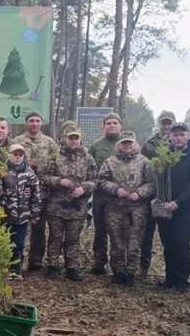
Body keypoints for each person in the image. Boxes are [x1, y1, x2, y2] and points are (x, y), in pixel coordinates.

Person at [97, 132, 156, 285]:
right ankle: (118, 271)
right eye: (124, 143)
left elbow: (152, 183)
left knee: (134, 241)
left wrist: (139, 193)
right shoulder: (110, 162)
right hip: (115, 208)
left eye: (130, 143)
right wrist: (116, 189)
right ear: (119, 145)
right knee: (116, 241)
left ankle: (131, 272)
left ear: (135, 144)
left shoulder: (145, 162)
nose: (127, 145)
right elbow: (102, 180)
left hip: (137, 209)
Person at [39, 124, 95, 281]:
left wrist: (84, 188)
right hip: (56, 205)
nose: (73, 140)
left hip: (78, 206)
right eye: (70, 137)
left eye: (76, 137)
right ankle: (52, 265)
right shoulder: (54, 156)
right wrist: (59, 181)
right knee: (55, 237)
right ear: (65, 138)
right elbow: (43, 176)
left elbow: (95, 179)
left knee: (73, 238)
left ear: (80, 139)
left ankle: (71, 266)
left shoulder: (88, 157)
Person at [156, 123, 190, 291]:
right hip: (165, 207)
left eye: (182, 135)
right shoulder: (164, 155)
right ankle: (170, 278)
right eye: (175, 135)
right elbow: (159, 178)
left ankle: (182, 281)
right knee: (168, 243)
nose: (178, 138)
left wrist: (178, 202)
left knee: (181, 243)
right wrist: (159, 199)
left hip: (186, 209)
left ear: (188, 136)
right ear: (170, 136)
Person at [14, 111, 59, 272]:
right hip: (20, 193)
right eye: (31, 121)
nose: (34, 123)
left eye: (37, 121)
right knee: (18, 227)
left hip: (43, 191)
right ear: (26, 123)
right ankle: (15, 260)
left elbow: (56, 164)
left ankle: (36, 260)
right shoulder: (17, 141)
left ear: (41, 123)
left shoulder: (50, 143)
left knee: (39, 227)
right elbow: (10, 161)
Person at [0, 144, 42, 279]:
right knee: (6, 241)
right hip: (5, 214)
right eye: (15, 154)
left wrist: (35, 213)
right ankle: (6, 268)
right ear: (9, 155)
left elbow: (36, 194)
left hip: (23, 215)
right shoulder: (2, 170)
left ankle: (17, 268)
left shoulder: (29, 172)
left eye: (20, 155)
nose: (18, 157)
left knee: (19, 242)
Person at [88, 112, 124, 275]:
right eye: (108, 123)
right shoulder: (96, 145)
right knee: (100, 229)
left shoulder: (127, 144)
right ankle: (99, 262)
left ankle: (118, 264)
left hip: (121, 197)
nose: (111, 125)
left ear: (120, 126)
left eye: (115, 123)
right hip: (101, 195)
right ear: (103, 127)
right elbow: (90, 167)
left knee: (118, 231)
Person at [140, 112, 175, 275]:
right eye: (163, 123)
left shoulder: (178, 144)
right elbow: (141, 167)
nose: (166, 126)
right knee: (145, 234)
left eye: (169, 123)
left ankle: (170, 271)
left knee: (168, 236)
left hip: (167, 197)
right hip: (149, 196)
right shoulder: (148, 145)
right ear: (159, 124)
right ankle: (143, 268)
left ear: (173, 123)